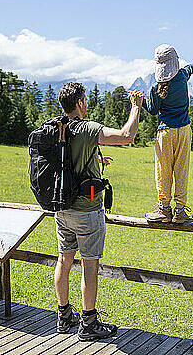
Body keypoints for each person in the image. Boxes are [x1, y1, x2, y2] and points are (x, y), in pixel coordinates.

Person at [54, 82, 144, 341]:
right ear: (81, 102)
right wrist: (135, 108)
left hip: (62, 208)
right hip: (87, 210)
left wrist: (96, 160)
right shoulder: (87, 128)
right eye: (85, 99)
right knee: (89, 266)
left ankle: (63, 317)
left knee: (64, 260)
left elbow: (68, 160)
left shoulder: (59, 127)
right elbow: (127, 136)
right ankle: (89, 324)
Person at [143, 44, 193, 224]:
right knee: (181, 170)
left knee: (163, 170)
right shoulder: (183, 76)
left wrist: (140, 102)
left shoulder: (156, 87)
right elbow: (189, 69)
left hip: (165, 133)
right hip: (184, 131)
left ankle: (164, 209)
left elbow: (153, 110)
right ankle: (180, 211)